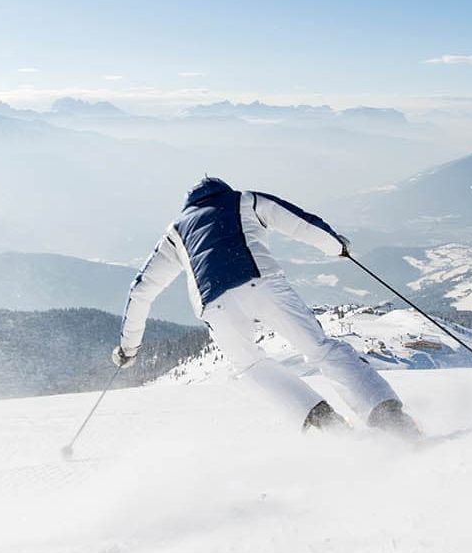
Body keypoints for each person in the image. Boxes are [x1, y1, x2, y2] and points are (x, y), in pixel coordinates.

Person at [113, 176, 420, 436]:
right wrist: (336, 246)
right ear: (221, 190)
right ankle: (387, 415)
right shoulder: (243, 200)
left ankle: (323, 423)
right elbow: (299, 222)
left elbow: (141, 290)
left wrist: (129, 348)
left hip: (216, 305)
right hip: (262, 282)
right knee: (320, 348)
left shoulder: (176, 232)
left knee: (251, 365)